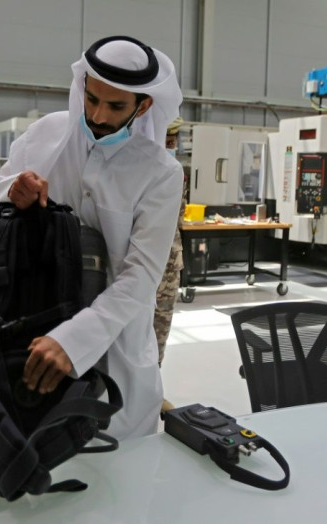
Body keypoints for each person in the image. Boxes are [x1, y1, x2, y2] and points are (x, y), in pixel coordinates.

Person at [0, 36, 183, 440]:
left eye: (115, 106)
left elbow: (141, 276)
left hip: (115, 344)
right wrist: (13, 193)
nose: (97, 114)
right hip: (30, 325)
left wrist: (75, 340)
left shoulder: (160, 172)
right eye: (91, 98)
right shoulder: (45, 134)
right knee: (30, 458)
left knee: (118, 469)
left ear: (143, 105)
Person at [156, 117, 187, 413]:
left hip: (168, 265)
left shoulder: (177, 174)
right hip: (142, 265)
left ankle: (153, 391)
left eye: (173, 140)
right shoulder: (140, 170)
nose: (171, 145)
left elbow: (178, 219)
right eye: (166, 139)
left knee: (160, 333)